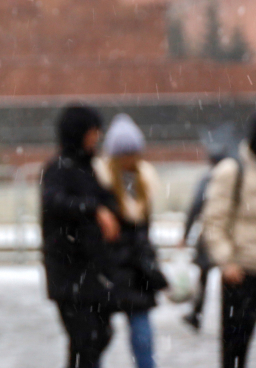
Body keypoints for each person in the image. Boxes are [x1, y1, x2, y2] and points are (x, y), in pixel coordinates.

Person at [41, 104, 121, 368]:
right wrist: (93, 210)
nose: (96, 137)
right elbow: (56, 202)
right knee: (85, 341)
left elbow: (108, 201)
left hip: (93, 272)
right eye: (92, 131)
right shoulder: (58, 170)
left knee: (97, 338)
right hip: (70, 273)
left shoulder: (91, 169)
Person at [94, 114, 165, 368]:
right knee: (96, 339)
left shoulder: (142, 182)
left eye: (133, 152)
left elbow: (142, 233)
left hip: (135, 274)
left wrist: (150, 267)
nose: (129, 159)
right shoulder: (100, 183)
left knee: (143, 338)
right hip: (111, 271)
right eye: (124, 153)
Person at [203, 113, 256, 368]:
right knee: (235, 351)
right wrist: (227, 261)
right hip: (241, 274)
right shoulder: (233, 169)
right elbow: (213, 220)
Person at [181, 141, 230, 331]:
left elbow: (195, 206)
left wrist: (186, 232)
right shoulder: (236, 177)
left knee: (204, 276)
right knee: (229, 277)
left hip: (210, 234)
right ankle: (232, 317)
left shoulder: (208, 178)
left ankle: (197, 314)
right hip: (229, 235)